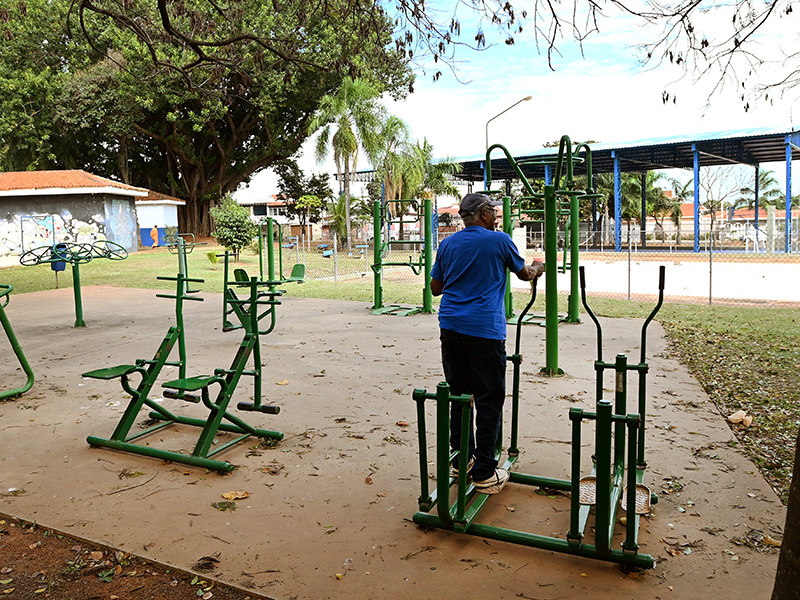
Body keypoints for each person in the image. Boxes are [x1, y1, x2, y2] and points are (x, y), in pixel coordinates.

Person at [430, 193, 544, 494]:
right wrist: (538, 265)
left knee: (459, 393)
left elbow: (435, 288)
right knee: (489, 398)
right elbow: (524, 274)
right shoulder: (500, 240)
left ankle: (461, 459)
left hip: (451, 326)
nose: (496, 216)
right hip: (485, 331)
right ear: (481, 215)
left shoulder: (448, 244)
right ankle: (483, 472)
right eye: (493, 211)